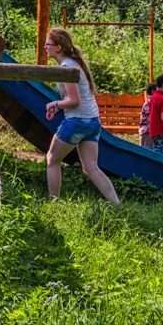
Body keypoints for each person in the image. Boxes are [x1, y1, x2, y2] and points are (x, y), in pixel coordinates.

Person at [43, 28, 120, 205]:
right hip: (92, 121)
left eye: (48, 44)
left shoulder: (66, 68)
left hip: (77, 121)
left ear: (58, 48)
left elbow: (74, 100)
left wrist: (54, 104)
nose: (45, 47)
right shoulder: (73, 64)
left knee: (52, 160)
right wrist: (60, 106)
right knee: (91, 168)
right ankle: (117, 205)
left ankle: (53, 204)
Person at [137, 82, 156, 149]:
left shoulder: (151, 101)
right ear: (153, 91)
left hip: (149, 131)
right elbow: (150, 119)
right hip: (146, 131)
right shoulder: (148, 103)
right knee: (146, 150)